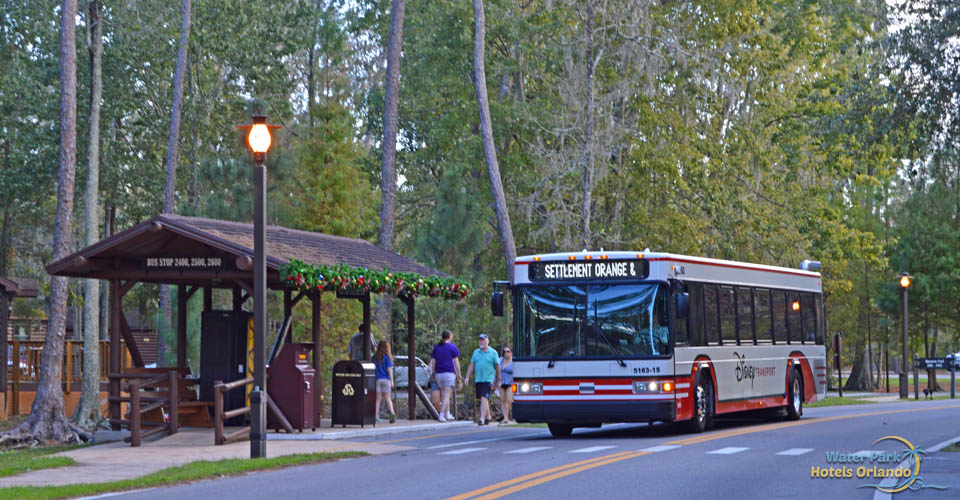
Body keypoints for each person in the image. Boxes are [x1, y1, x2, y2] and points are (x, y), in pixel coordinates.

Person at [465, 333, 500, 425]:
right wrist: (467, 376)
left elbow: (497, 367)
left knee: (484, 397)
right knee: (483, 398)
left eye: (483, 340)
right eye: (480, 340)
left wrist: (498, 380)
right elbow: (471, 365)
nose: (481, 342)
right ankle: (488, 417)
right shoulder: (476, 352)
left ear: (487, 341)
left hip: (489, 379)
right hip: (478, 379)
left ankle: (481, 418)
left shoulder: (493, 352)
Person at [429, 329, 462, 422]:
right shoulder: (452, 347)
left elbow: (434, 361)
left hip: (439, 373)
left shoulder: (437, 347)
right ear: (450, 337)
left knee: (444, 394)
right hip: (449, 372)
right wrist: (459, 374)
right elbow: (456, 362)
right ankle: (441, 414)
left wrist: (434, 372)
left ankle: (447, 413)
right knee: (446, 395)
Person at [372, 340, 396, 423]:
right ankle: (392, 413)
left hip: (377, 379)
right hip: (386, 379)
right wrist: (392, 381)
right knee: (387, 398)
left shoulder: (374, 357)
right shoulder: (387, 357)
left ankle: (376, 416)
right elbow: (389, 370)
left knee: (378, 399)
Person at [498, 346, 514, 424]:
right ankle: (505, 418)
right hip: (501, 382)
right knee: (503, 400)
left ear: (511, 352)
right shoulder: (500, 360)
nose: (506, 353)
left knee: (509, 399)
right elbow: (497, 371)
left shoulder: (513, 361)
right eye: (504, 352)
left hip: (510, 383)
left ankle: (513, 414)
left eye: (508, 351)